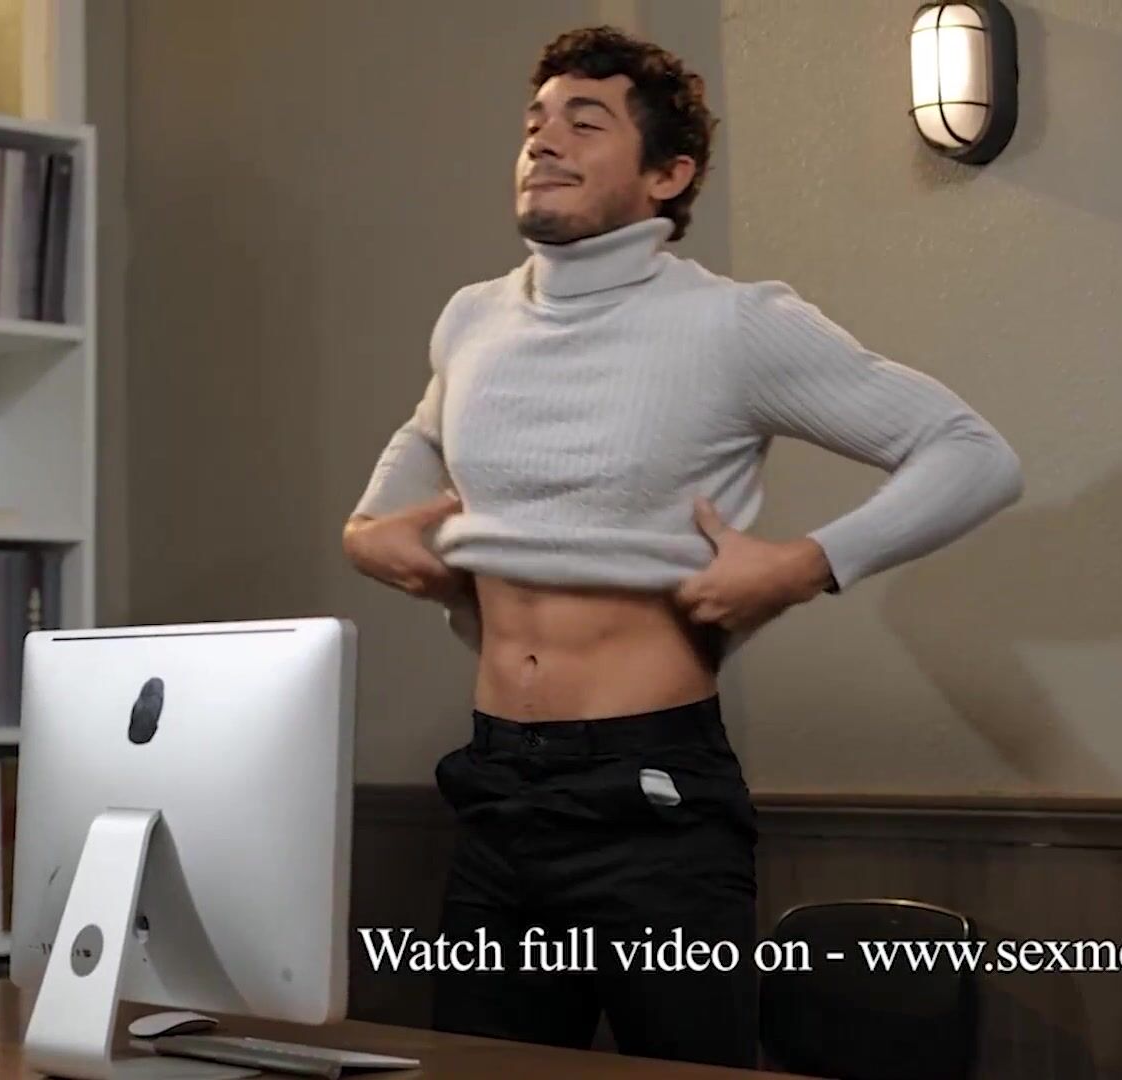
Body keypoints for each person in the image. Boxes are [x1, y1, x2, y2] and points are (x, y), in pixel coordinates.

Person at [341, 24, 1023, 1069]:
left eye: (585, 122)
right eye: (534, 122)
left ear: (669, 173)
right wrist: (367, 534)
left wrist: (801, 565)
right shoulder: (472, 320)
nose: (543, 141)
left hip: (652, 798)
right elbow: (422, 441)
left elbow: (972, 454)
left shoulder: (733, 325)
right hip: (495, 789)